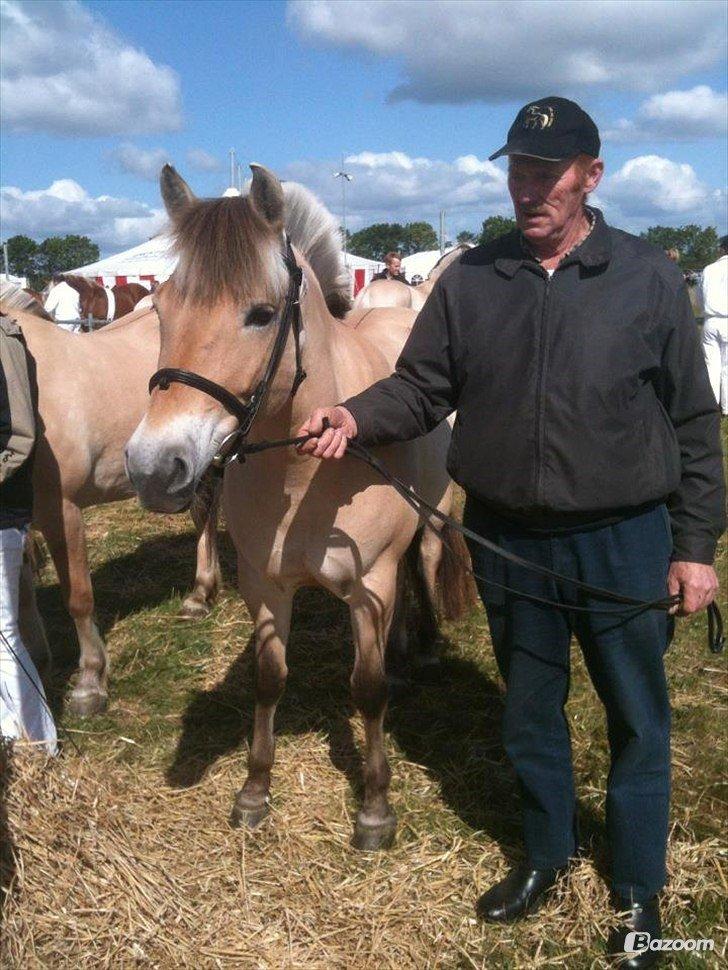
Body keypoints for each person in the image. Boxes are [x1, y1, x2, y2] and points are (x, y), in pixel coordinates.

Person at [296, 96, 724, 968]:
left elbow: (694, 424)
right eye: (519, 172)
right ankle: (548, 856)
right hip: (505, 541)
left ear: (592, 177)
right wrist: (355, 414)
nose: (530, 190)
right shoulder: (474, 279)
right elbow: (419, 388)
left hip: (623, 537)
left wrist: (694, 549)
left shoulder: (645, 278)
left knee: (637, 717)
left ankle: (640, 892)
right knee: (531, 711)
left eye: (550, 174)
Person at [0, 314, 58, 755]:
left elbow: (18, 434)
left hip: (3, 510)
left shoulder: (3, 340)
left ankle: (38, 744)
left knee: (4, 635)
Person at [699, 235, 728, 415]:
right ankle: (727, 406)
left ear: (723, 249)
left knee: (711, 364)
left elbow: (700, 295)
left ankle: (711, 403)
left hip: (710, 320)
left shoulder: (709, 269)